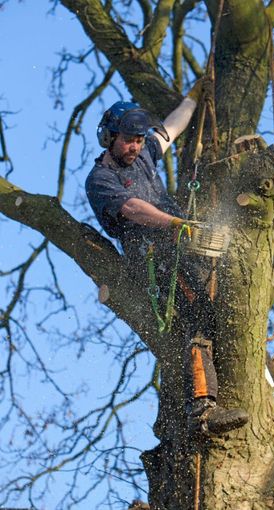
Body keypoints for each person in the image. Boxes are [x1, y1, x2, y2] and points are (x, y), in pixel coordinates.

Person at [85, 80, 248, 435]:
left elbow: (170, 130)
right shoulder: (101, 178)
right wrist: (176, 223)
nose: (135, 146)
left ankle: (264, 388)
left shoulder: (143, 155)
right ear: (108, 138)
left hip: (183, 250)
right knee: (197, 322)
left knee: (228, 306)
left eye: (139, 140)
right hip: (155, 262)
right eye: (128, 140)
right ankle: (202, 410)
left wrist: (193, 97)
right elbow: (132, 208)